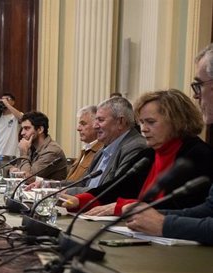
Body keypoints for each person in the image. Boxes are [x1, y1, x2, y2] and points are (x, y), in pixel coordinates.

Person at [65, 89, 213, 216]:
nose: (143, 129)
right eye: (141, 122)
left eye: (151, 122)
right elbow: (117, 187)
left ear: (177, 121)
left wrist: (124, 207)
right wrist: (80, 200)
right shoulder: (148, 155)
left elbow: (181, 206)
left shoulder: (199, 155)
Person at [126, 44, 213, 244]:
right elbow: (209, 209)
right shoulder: (147, 154)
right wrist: (149, 214)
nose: (196, 95)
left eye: (199, 85)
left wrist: (164, 224)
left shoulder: (199, 154)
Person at [80, 96, 148, 190]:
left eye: (100, 120)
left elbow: (112, 190)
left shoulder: (135, 147)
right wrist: (56, 186)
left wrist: (67, 192)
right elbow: (82, 183)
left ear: (120, 122)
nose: (95, 126)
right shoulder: (102, 150)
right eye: (96, 120)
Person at [11, 111, 67, 180]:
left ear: (40, 129)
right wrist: (11, 169)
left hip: (52, 190)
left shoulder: (52, 151)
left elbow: (27, 178)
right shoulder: (31, 147)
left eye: (27, 128)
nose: (22, 133)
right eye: (22, 129)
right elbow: (14, 167)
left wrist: (24, 153)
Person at [66, 105, 103, 183]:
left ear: (96, 125)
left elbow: (81, 184)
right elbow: (70, 181)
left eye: (83, 124)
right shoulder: (86, 149)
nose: (78, 128)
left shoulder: (101, 151)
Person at [0, 92, 23, 165]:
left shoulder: (15, 117)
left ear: (13, 102)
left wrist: (7, 104)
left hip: (11, 156)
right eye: (2, 100)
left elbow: (21, 117)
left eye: (7, 99)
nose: (3, 101)